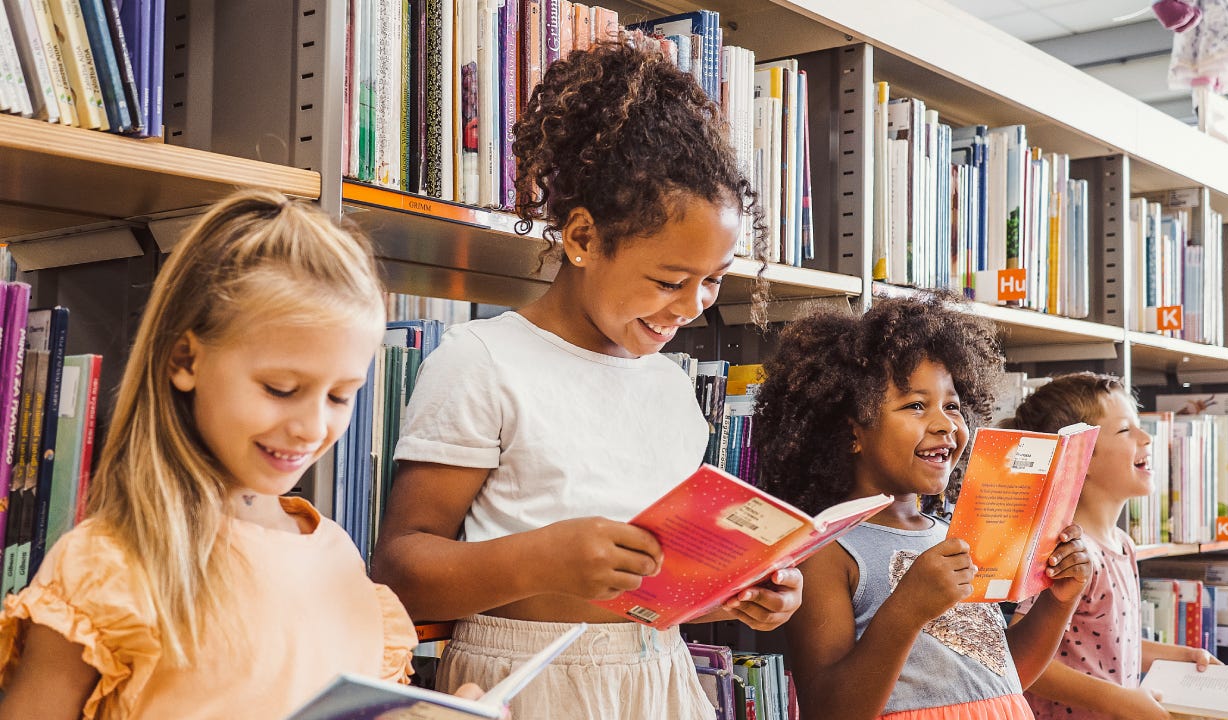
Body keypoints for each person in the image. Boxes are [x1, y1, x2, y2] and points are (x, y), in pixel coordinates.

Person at [371, 40, 800, 719]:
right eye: (669, 280)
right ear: (581, 239)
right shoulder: (482, 361)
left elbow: (658, 580)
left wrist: (737, 592)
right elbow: (399, 569)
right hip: (525, 684)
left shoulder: (669, 388)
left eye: (713, 281)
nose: (691, 308)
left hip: (658, 681)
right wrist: (544, 560)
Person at [0, 190, 427, 719]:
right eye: (280, 388)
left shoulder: (339, 560)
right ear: (185, 359)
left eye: (340, 396)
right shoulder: (107, 566)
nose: (312, 428)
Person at [750, 293, 1092, 720]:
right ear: (851, 430)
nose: (945, 424)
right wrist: (907, 609)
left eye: (952, 406)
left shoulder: (957, 531)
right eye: (915, 405)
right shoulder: (827, 551)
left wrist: (1060, 600)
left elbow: (1005, 677)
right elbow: (830, 710)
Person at [1004, 372, 1218, 720]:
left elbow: (1112, 646)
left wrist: (1181, 656)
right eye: (1125, 430)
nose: (1146, 437)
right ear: (1080, 459)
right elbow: (1023, 659)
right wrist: (1118, 701)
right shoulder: (1068, 553)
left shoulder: (1122, 544)